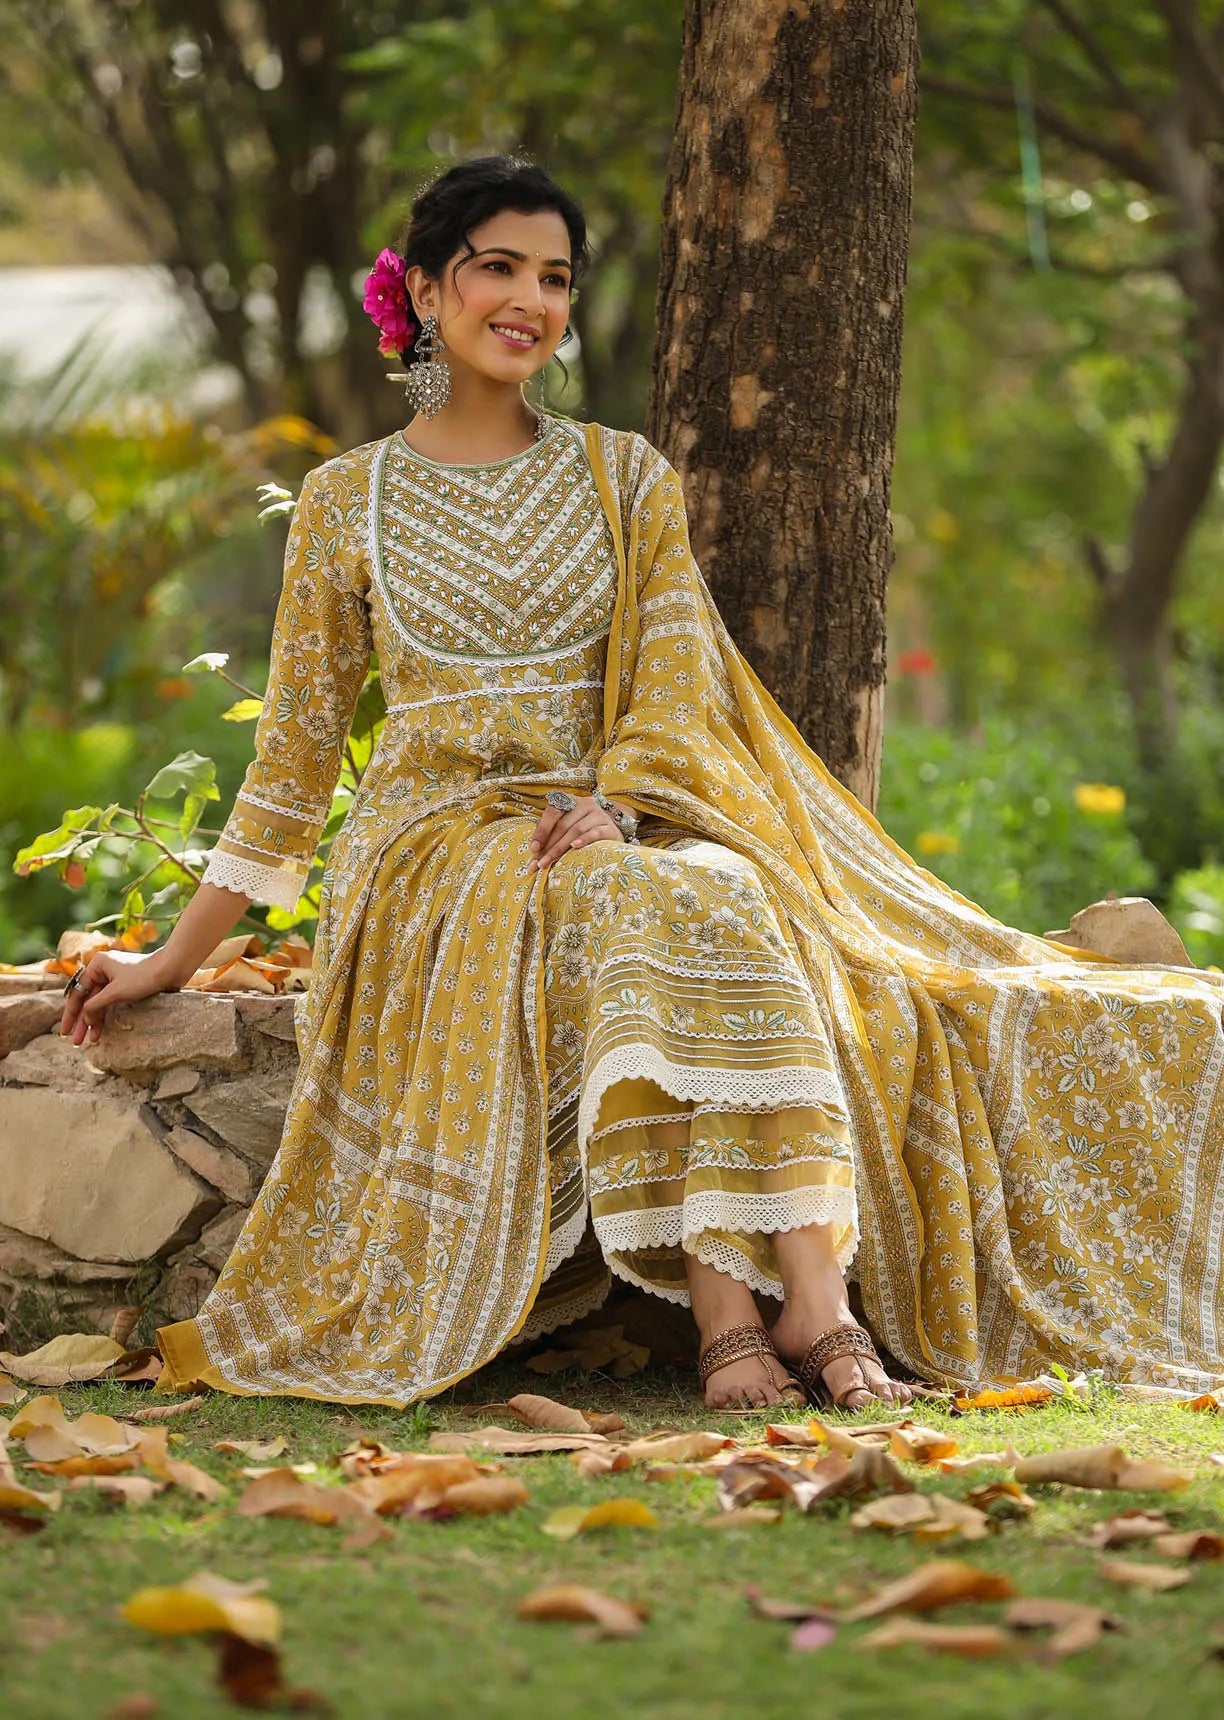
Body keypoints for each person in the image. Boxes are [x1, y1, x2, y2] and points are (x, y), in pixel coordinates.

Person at [62, 157, 1224, 1414]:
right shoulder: (348, 502)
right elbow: (293, 763)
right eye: (499, 269)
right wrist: (169, 963)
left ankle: (805, 1300)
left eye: (554, 277)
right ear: (428, 291)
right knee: (646, 900)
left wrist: (618, 801)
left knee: (716, 888)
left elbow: (676, 682)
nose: (531, 301)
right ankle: (738, 1315)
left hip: (613, 818)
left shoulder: (624, 478)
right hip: (435, 852)